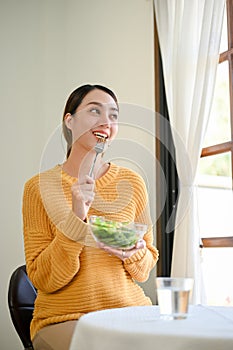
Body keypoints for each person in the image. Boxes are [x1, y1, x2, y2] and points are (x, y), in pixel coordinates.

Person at [22, 84, 159, 350]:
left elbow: (144, 268)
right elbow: (43, 278)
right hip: (65, 318)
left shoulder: (132, 182)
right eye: (95, 111)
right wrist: (77, 216)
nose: (106, 121)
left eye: (113, 115)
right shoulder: (38, 187)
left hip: (130, 313)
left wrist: (129, 251)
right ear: (70, 120)